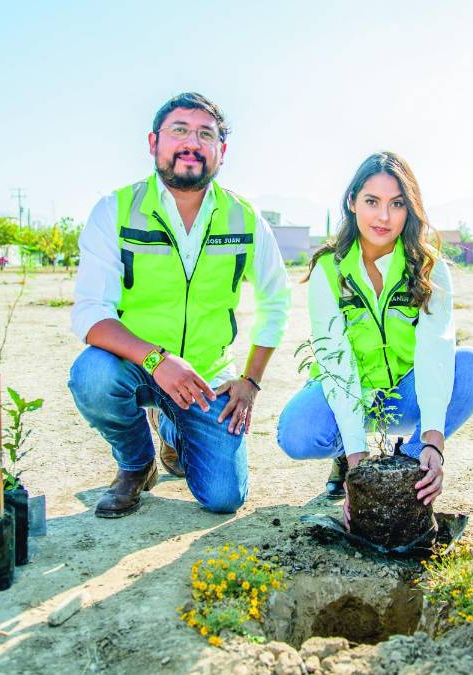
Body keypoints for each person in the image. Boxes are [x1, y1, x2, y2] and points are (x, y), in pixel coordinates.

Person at [68, 92, 290, 517]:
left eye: (205, 134)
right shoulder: (115, 211)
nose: (192, 142)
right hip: (134, 365)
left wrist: (251, 382)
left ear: (220, 152)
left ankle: (173, 430)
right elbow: (91, 314)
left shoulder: (245, 218)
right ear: (153, 143)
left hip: (207, 377)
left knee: (224, 498)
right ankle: (136, 465)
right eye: (179, 130)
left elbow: (276, 300)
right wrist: (159, 360)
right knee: (91, 376)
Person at [277, 151, 473, 522]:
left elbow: (434, 350)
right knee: (296, 432)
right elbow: (334, 361)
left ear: (410, 209)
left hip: (404, 395)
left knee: (472, 368)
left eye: (397, 203)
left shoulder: (428, 267)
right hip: (352, 392)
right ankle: (345, 454)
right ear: (352, 202)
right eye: (372, 202)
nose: (384, 216)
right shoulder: (329, 268)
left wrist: (432, 443)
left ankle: (406, 466)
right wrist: (359, 469)